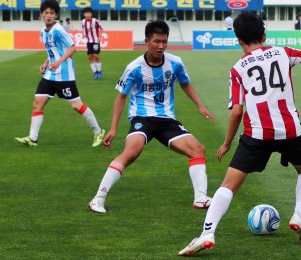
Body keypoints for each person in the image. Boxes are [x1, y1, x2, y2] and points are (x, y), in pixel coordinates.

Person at [177, 12, 301, 255]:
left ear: (238, 40)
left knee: (228, 186)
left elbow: (235, 112)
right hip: (290, 130)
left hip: (257, 134)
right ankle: (298, 215)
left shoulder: (237, 69)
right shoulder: (283, 52)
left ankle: (207, 233)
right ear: (264, 35)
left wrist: (227, 143)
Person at [87, 20, 216, 214]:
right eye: (157, 41)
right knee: (132, 151)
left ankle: (201, 198)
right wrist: (113, 128)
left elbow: (185, 83)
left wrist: (200, 105)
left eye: (164, 41)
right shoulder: (134, 67)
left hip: (166, 120)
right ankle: (98, 199)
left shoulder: (175, 63)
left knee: (198, 150)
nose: (161, 46)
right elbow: (121, 97)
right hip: (142, 118)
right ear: (147, 41)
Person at [15, 0, 105, 148]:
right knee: (38, 103)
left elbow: (72, 48)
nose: (49, 15)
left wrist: (59, 62)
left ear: (56, 15)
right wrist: (46, 63)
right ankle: (32, 138)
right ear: (41, 15)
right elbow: (53, 51)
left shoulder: (58, 29)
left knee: (77, 105)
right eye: (46, 13)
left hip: (64, 75)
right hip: (50, 75)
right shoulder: (43, 32)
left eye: (52, 13)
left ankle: (98, 131)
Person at [82, 7, 104, 79]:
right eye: (86, 13)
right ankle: (95, 73)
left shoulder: (95, 21)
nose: (87, 15)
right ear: (84, 14)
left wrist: (100, 37)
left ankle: (99, 71)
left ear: (91, 14)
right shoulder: (83, 21)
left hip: (95, 41)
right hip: (89, 41)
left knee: (96, 55)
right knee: (90, 57)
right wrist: (83, 34)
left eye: (89, 13)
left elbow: (101, 28)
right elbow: (83, 29)